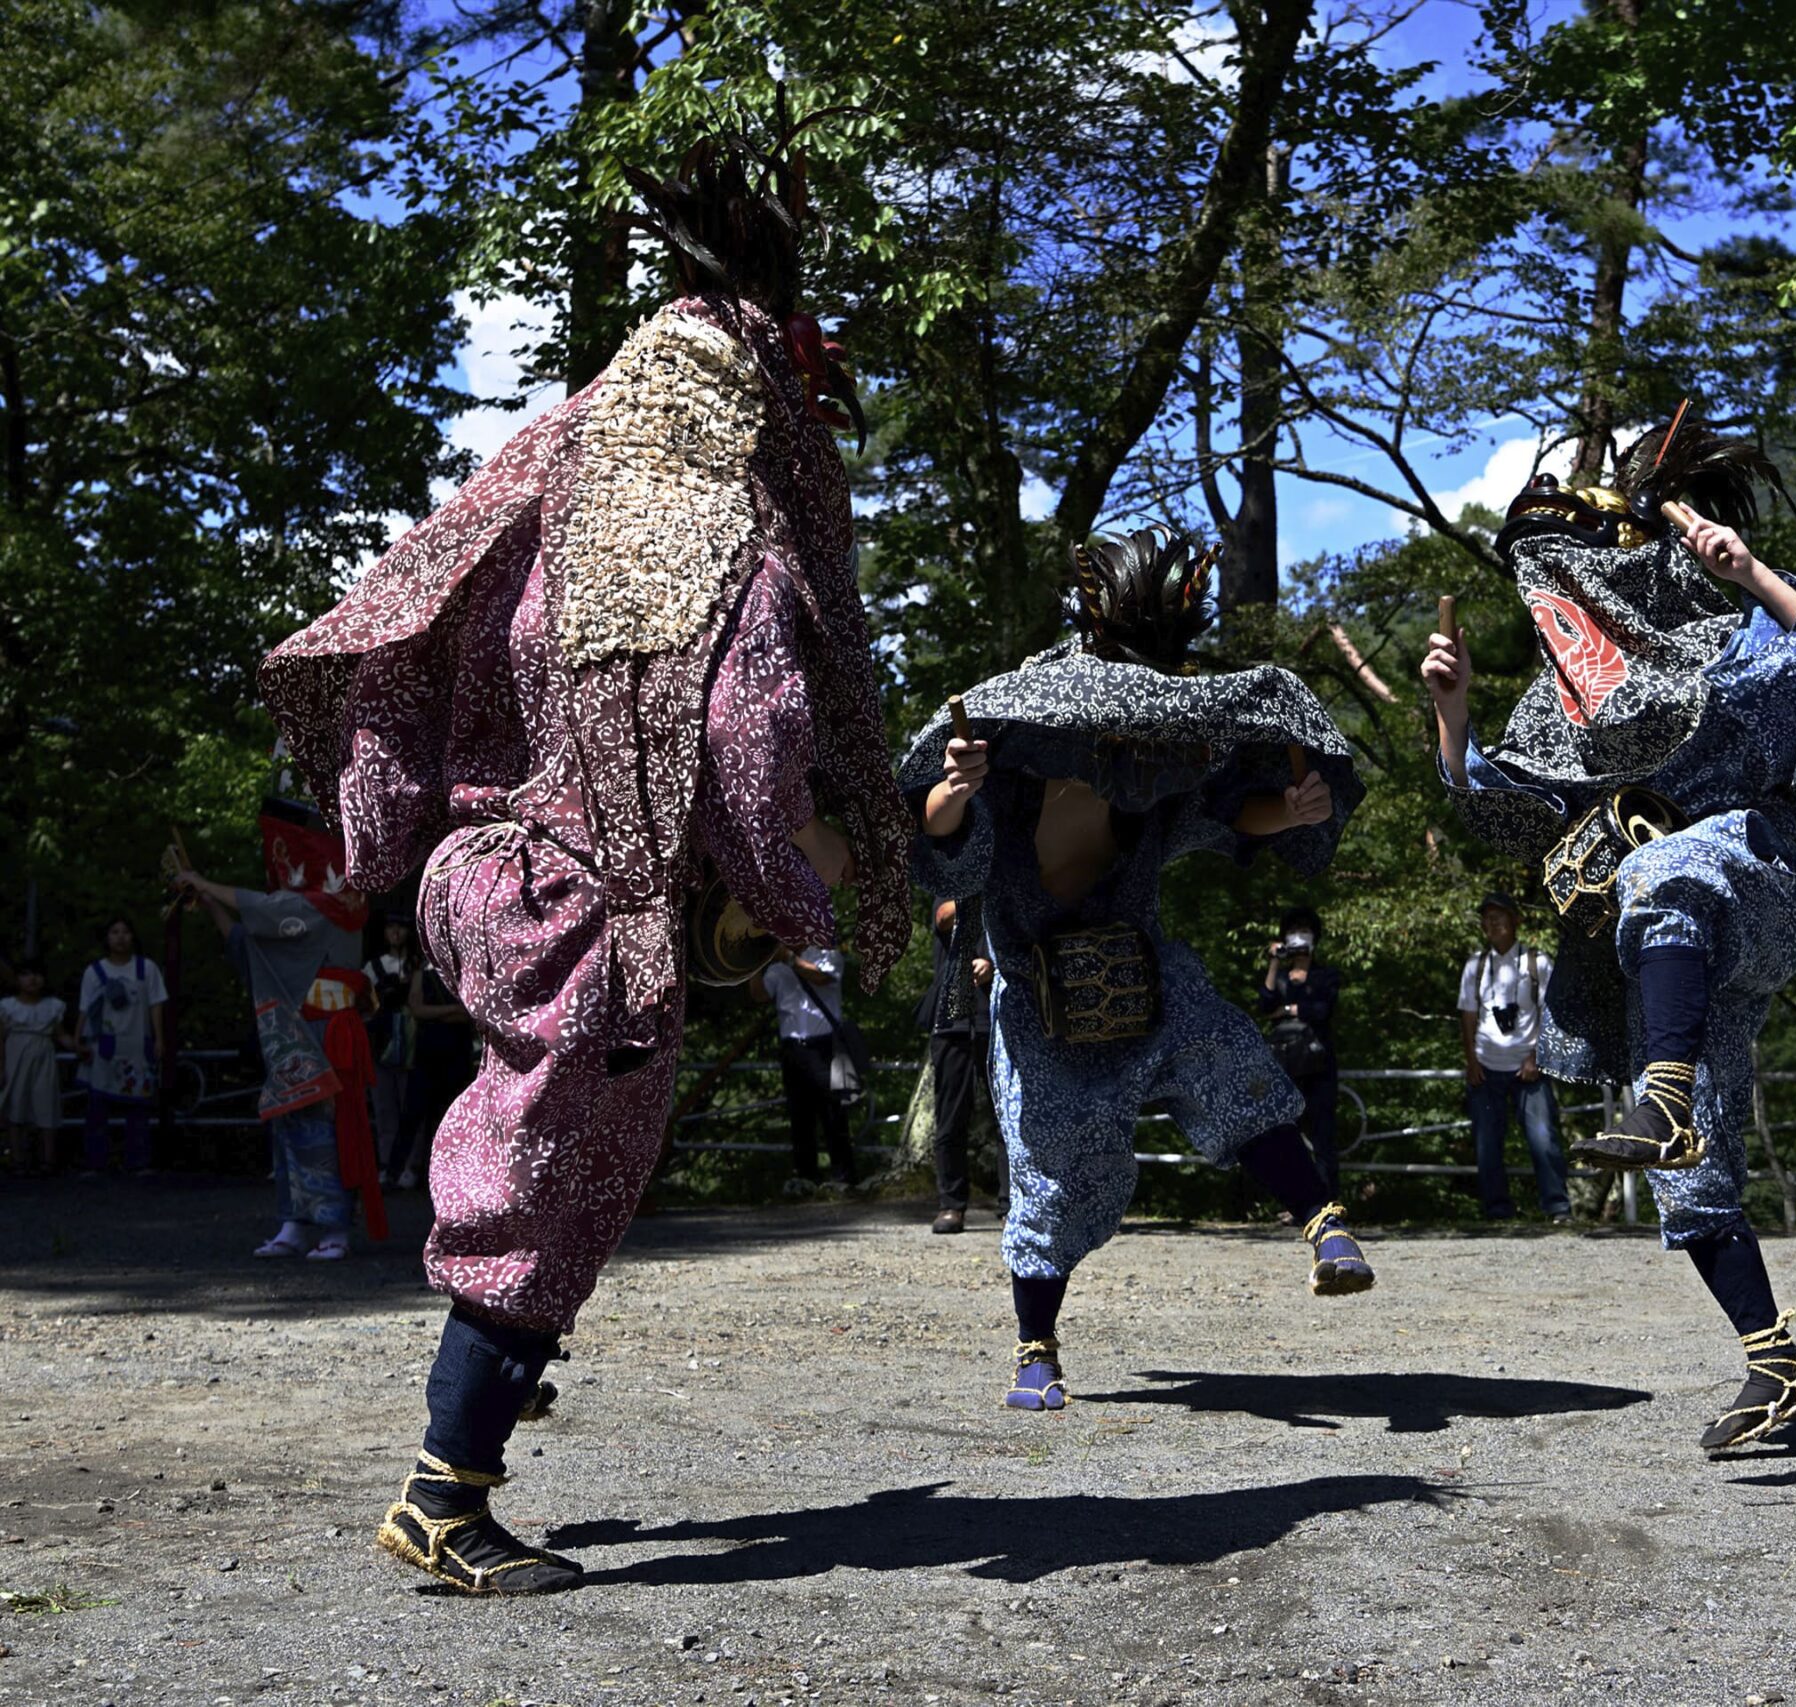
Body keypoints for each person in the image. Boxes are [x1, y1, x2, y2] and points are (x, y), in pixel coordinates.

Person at [259, 133, 912, 1594]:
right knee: (559, 1179)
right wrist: (805, 900)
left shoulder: (552, 460)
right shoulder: (731, 526)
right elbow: (754, 733)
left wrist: (384, 842)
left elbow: (395, 635)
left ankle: (496, 1373)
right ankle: (448, 1487)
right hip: (582, 914)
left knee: (532, 1158)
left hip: (471, 875)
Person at [1424, 420, 1796, 1456]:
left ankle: (1659, 1086)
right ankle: (1776, 1364)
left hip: (1751, 882)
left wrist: (1748, 568)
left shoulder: (1719, 644)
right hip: (1660, 957)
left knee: (1666, 868)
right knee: (1690, 1179)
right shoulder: (1559, 708)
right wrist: (1452, 719)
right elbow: (1504, 810)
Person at [905, 524, 1374, 1413]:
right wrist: (953, 790)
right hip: (1040, 1002)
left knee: (1224, 1052)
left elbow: (1236, 816)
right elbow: (939, 838)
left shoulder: (1164, 749)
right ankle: (1035, 1347)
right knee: (1055, 1163)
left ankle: (1324, 1223)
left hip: (1142, 965)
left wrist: (1295, 805)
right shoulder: (1016, 740)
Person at [171, 800, 384, 1262]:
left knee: (325, 1131)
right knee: (291, 1126)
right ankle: (292, 1223)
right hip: (296, 1028)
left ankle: (334, 1228)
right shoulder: (312, 907)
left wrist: (204, 882)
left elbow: (266, 910)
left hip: (328, 1030)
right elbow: (250, 944)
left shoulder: (332, 902)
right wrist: (206, 899)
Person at [1454, 893, 1567, 1222]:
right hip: (1486, 1067)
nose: (1493, 923)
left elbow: (1551, 1014)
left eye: (1500, 916)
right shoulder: (1476, 966)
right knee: (1487, 1143)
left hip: (1528, 1066)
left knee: (1543, 1139)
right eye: (1488, 918)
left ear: (1516, 920)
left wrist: (1536, 1055)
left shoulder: (1537, 962)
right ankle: (1497, 1211)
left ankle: (1557, 1206)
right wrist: (1471, 1061)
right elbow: (1468, 1016)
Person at [752, 945, 860, 1196]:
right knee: (800, 1116)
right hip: (792, 1048)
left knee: (833, 1113)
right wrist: (752, 968)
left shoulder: (826, 955)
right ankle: (806, 1177)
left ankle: (844, 1177)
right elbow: (760, 995)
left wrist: (789, 958)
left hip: (824, 1045)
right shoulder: (776, 969)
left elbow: (822, 977)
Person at [917, 895, 996, 1233]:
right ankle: (951, 1205)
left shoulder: (1006, 896)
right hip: (951, 1023)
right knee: (951, 1118)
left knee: (1007, 1118)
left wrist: (990, 964)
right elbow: (943, 916)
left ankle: (1013, 1204)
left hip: (996, 1020)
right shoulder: (951, 885)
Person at [1257, 905, 1344, 1195]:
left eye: (1304, 931)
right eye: (1293, 932)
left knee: (1323, 1136)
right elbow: (1264, 1004)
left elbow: (1322, 1010)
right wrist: (1273, 962)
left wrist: (1289, 1008)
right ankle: (1298, 1203)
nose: (1298, 937)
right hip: (1285, 1066)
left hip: (1319, 1064)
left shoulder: (1326, 975)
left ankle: (1327, 1200)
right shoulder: (1280, 977)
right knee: (1287, 1136)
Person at [73, 917, 168, 1175]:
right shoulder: (95, 972)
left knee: (138, 1105)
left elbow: (156, 1003)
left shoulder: (146, 968)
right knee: (97, 1105)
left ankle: (138, 1160)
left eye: (126, 931)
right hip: (104, 1044)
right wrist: (77, 1038)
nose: (120, 937)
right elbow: (85, 1007)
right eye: (114, 932)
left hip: (138, 1041)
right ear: (106, 937)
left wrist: (159, 1038)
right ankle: (95, 1162)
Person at [385, 960, 473, 1191]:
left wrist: (437, 1013)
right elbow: (417, 1009)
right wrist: (451, 1010)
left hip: (456, 1052)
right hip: (427, 1053)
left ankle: (437, 1175)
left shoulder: (465, 970)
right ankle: (394, 1172)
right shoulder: (423, 971)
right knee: (412, 1115)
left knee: (447, 1117)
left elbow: (469, 1014)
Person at [364, 915, 420, 1180]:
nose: (395, 932)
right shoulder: (373, 967)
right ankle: (388, 1163)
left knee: (410, 1103)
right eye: (390, 927)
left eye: (401, 927)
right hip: (382, 1041)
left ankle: (410, 1164)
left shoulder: (419, 965)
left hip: (412, 1042)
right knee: (385, 1105)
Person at [3, 962, 72, 1174]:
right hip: (15, 1056)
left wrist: (78, 1047)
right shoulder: (7, 1007)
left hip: (44, 1055)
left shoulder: (52, 1006)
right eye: (26, 974)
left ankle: (48, 1160)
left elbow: (60, 1035)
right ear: (17, 979)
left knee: (46, 1102)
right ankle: (17, 1158)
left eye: (37, 974)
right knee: (16, 1104)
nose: (32, 979)